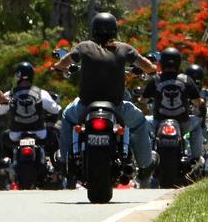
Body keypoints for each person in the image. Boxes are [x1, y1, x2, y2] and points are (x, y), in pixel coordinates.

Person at [53, 12, 157, 186]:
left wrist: (58, 67)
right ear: (114, 31)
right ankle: (145, 164)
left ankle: (64, 161)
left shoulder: (84, 47)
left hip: (85, 106)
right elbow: (146, 65)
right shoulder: (124, 48)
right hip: (116, 107)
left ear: (93, 30)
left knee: (66, 117)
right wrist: (152, 69)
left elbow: (64, 62)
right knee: (139, 122)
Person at [141, 47, 205, 171]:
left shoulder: (155, 79)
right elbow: (197, 102)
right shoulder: (186, 79)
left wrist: (148, 98)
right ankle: (196, 158)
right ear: (178, 62)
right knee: (197, 124)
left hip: (158, 122)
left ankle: (146, 156)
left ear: (162, 62)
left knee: (141, 123)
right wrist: (201, 102)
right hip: (183, 123)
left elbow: (143, 100)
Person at [0, 62, 60, 151]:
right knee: (56, 132)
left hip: (15, 135)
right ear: (32, 75)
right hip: (40, 133)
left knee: (3, 137)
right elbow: (55, 109)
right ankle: (58, 160)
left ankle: (6, 161)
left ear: (18, 76)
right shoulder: (41, 93)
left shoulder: (10, 94)